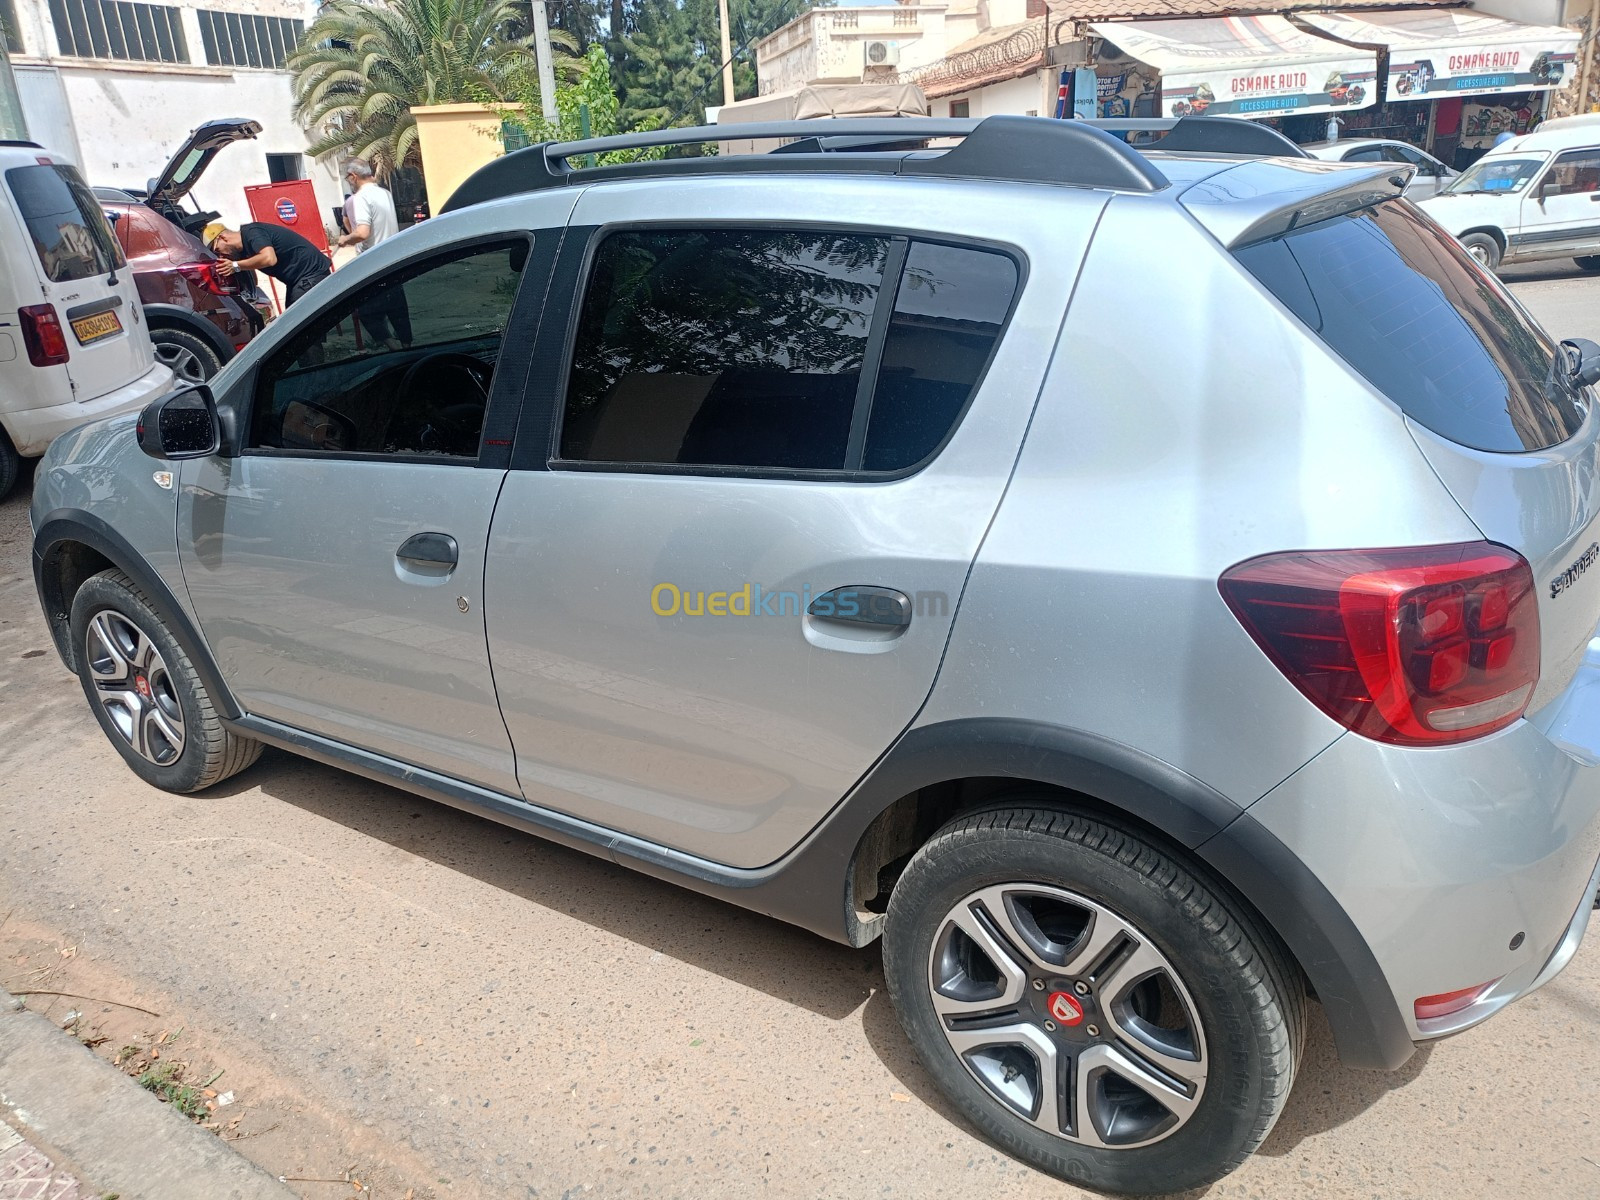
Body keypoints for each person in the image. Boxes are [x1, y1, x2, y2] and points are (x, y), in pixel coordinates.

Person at [205, 221, 330, 307]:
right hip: (298, 281)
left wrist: (236, 266)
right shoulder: (241, 252)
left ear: (223, 238)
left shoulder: (252, 232)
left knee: (300, 328)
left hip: (311, 275)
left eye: (217, 250)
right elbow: (253, 281)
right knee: (293, 325)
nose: (220, 256)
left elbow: (269, 258)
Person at [336, 160, 398, 254]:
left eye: (347, 178)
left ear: (353, 176)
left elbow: (362, 233)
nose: (348, 182)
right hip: (392, 252)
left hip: (373, 256)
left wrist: (345, 239)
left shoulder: (361, 196)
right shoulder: (386, 193)